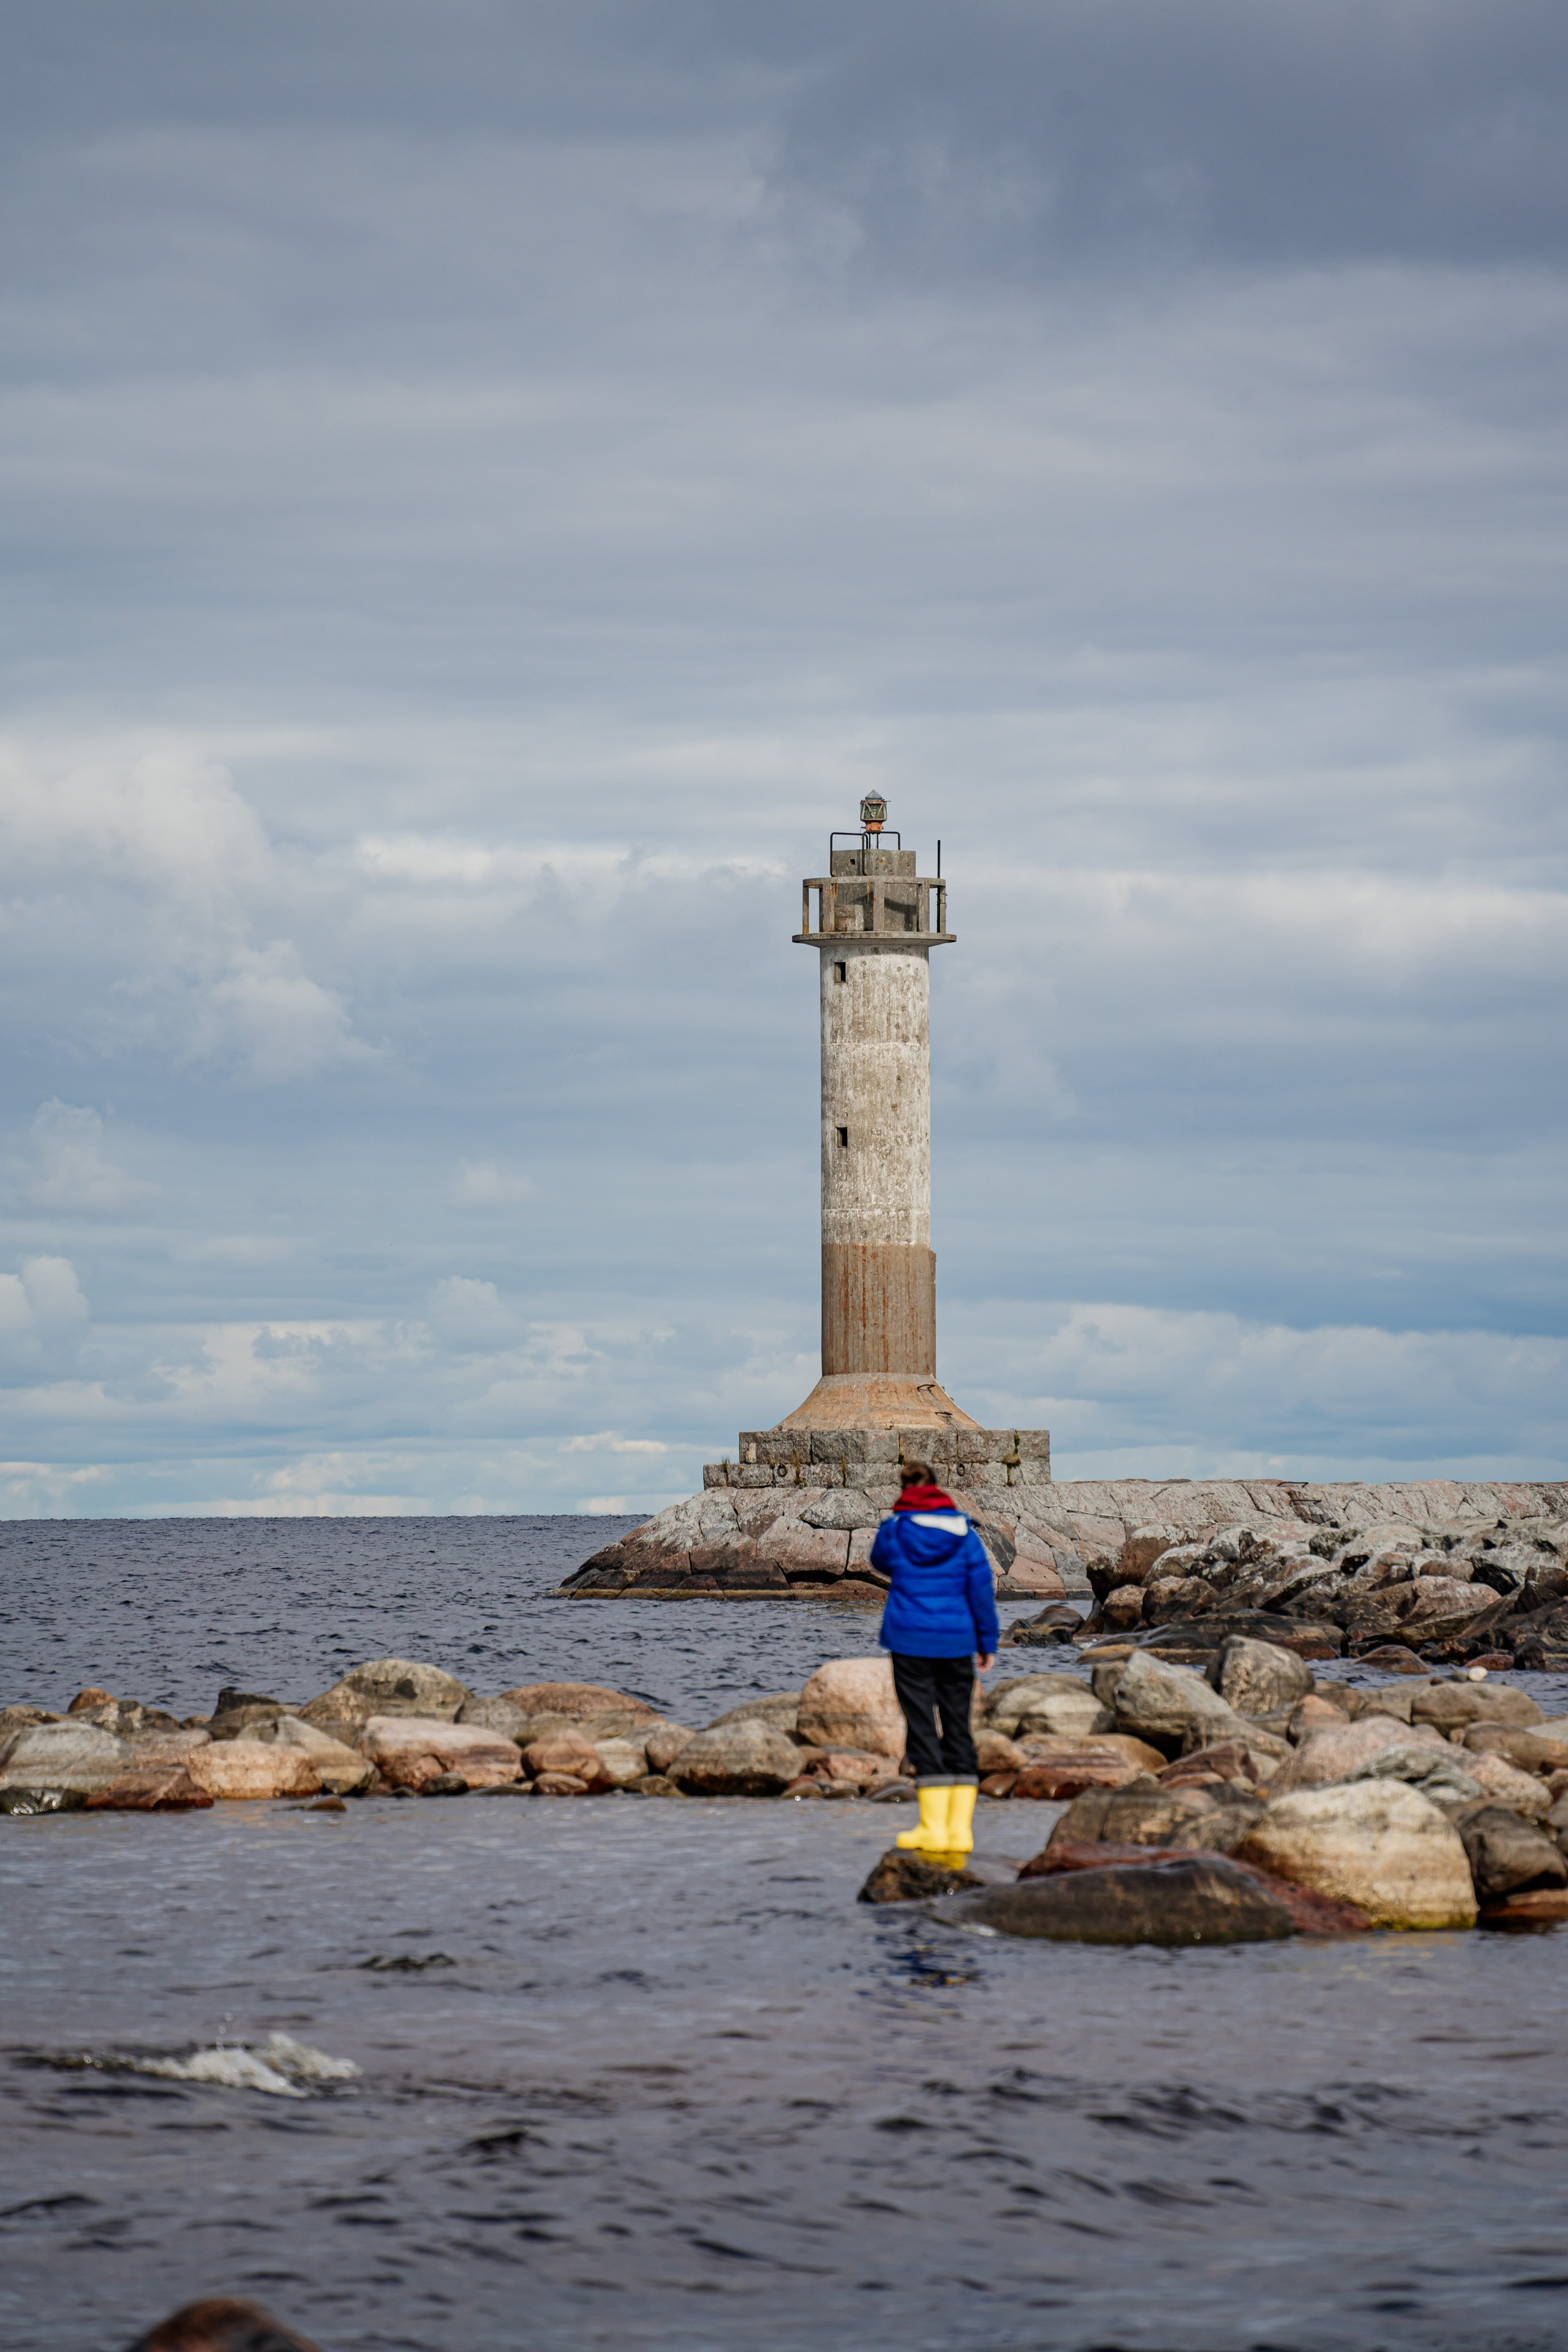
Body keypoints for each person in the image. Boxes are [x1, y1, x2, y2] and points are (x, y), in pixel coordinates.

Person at [871, 1458, 998, 1860]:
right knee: (959, 1727)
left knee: (922, 1727)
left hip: (910, 1641)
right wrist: (987, 1642)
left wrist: (894, 1524)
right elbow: (981, 1589)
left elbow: (879, 1562)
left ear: (905, 1489)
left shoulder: (895, 1530)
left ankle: (933, 1827)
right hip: (957, 1641)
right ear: (938, 1488)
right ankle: (960, 1832)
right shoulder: (965, 1534)